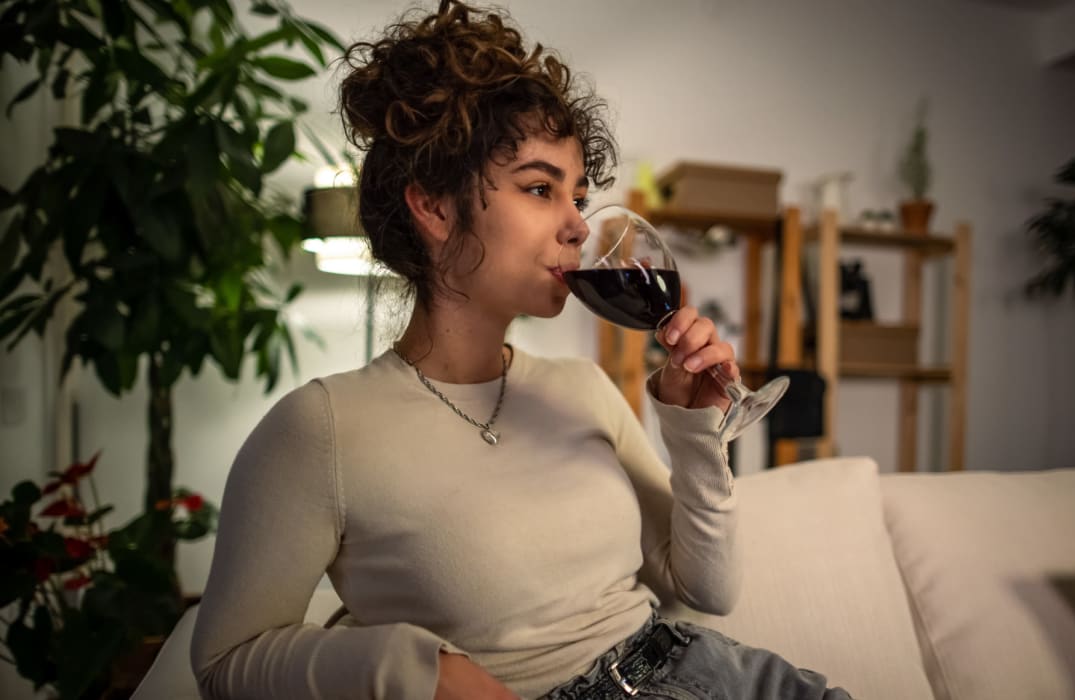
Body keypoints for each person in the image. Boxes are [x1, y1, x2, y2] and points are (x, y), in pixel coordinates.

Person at [190, 1, 852, 698]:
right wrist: (420, 672)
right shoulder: (319, 428)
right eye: (540, 188)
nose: (576, 225)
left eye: (577, 194)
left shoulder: (584, 386)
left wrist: (693, 427)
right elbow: (226, 661)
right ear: (436, 209)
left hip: (718, 675)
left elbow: (706, 588)